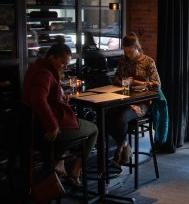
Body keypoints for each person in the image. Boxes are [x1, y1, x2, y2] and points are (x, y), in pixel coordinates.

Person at [22, 42, 98, 186]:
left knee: (74, 126)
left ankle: (59, 163)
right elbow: (38, 100)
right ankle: (75, 172)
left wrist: (60, 96)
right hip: (45, 130)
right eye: (62, 63)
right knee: (94, 129)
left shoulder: (38, 68)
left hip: (33, 127)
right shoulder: (44, 73)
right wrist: (52, 126)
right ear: (52, 57)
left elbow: (44, 96)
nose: (64, 66)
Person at [107, 32, 161, 166]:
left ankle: (118, 152)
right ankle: (125, 143)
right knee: (106, 115)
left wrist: (134, 82)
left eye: (131, 52)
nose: (128, 55)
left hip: (141, 103)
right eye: (126, 52)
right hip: (123, 99)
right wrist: (119, 81)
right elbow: (116, 78)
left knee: (121, 118)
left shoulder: (148, 62)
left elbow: (157, 85)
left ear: (137, 47)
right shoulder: (123, 60)